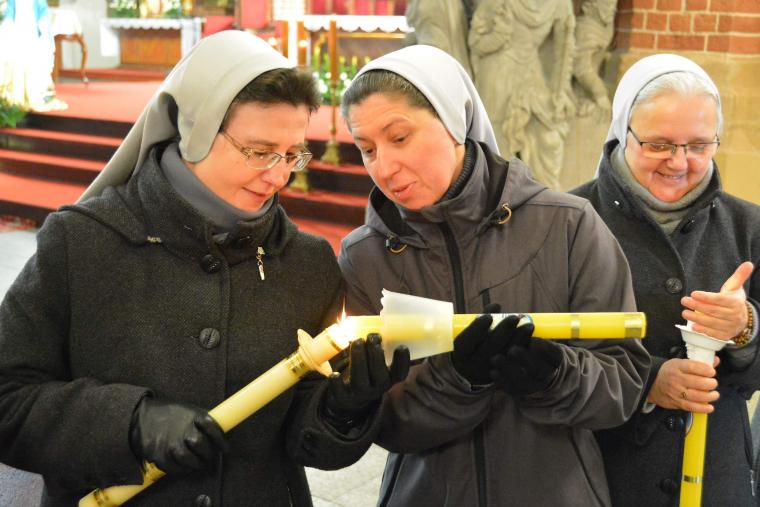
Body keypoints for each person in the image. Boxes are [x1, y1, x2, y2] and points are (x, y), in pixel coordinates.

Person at [0, 30, 408, 507]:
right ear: (196, 132)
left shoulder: (305, 260)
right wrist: (131, 422)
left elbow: (307, 440)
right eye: (259, 152)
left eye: (291, 154)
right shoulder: (82, 242)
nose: (279, 175)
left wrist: (343, 408)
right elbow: (8, 399)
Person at [337, 44, 650, 506]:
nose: (383, 167)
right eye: (367, 149)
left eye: (399, 138)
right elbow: (384, 423)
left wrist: (555, 376)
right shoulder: (364, 256)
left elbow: (623, 384)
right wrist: (457, 379)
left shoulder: (567, 225)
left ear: (454, 122)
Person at [572, 54, 760, 506]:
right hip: (601, 472)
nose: (679, 162)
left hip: (716, 476)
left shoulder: (748, 226)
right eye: (659, 145)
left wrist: (745, 329)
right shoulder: (570, 221)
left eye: (699, 145)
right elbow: (544, 355)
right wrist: (646, 381)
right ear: (623, 132)